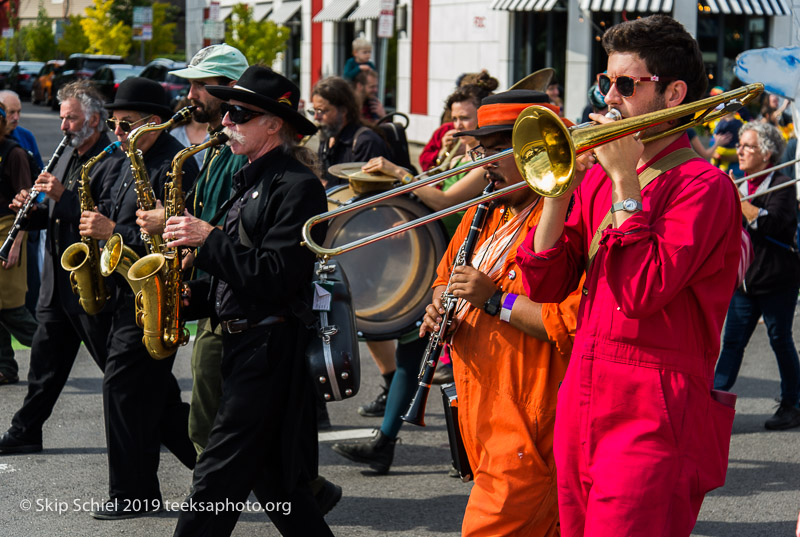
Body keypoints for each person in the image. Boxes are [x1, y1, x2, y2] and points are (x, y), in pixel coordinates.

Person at [516, 15, 742, 536]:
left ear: (672, 94)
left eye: (625, 84)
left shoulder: (704, 187)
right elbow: (543, 285)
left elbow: (642, 291)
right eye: (605, 82)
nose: (609, 97)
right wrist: (560, 190)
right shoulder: (599, 180)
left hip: (654, 405)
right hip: (583, 394)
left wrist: (623, 181)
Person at [338, 89, 581, 536]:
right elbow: (445, 275)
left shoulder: (562, 216)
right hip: (479, 406)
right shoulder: (485, 209)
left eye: (496, 150)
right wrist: (436, 305)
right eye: (480, 149)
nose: (483, 161)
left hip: (527, 412)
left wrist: (493, 300)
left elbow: (561, 317)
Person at [164, 65, 333, 537]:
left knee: (213, 483)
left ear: (274, 123)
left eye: (239, 114)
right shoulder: (249, 175)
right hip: (246, 346)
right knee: (278, 485)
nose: (226, 123)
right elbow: (236, 278)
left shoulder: (298, 187)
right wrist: (182, 299)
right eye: (228, 113)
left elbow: (276, 277)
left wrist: (207, 238)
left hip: (269, 347)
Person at [76, 77, 198, 519]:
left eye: (125, 124)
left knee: (123, 388)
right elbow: (101, 212)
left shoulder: (176, 166)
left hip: (154, 293)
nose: (117, 133)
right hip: (122, 294)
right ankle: (228, 472)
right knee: (157, 400)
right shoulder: (119, 161)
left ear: (154, 121)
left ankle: (132, 495)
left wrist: (115, 232)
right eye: (114, 124)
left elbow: (177, 242)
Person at [0, 81, 115, 453]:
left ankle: (161, 424)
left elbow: (103, 218)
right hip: (57, 279)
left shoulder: (111, 158)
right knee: (44, 364)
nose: (63, 126)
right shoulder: (67, 154)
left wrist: (60, 197)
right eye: (63, 118)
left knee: (118, 369)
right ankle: (26, 431)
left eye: (71, 118)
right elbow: (52, 215)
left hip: (92, 283)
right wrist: (28, 211)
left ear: (94, 119)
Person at [714, 122, 800, 430]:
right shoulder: (738, 180)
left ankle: (793, 402)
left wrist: (739, 202)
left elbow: (773, 224)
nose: (740, 150)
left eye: (748, 145)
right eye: (740, 143)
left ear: (767, 154)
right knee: (732, 342)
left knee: (779, 339)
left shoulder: (784, 183)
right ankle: (710, 402)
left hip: (777, 280)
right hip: (744, 280)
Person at [0, 102, 38, 386]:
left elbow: (27, 206)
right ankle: (5, 368)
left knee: (11, 307)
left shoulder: (14, 154)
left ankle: (49, 348)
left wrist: (15, 244)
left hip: (8, 230)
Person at [0, 89, 44, 318]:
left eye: (18, 111)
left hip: (22, 225)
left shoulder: (22, 139)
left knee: (26, 294)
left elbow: (35, 183)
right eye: (11, 112)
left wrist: (16, 242)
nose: (15, 117)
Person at [311, 75, 391, 188]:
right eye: (314, 110)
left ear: (343, 111)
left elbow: (367, 194)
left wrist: (323, 186)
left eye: (321, 111)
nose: (316, 117)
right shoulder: (328, 138)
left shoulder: (366, 143)